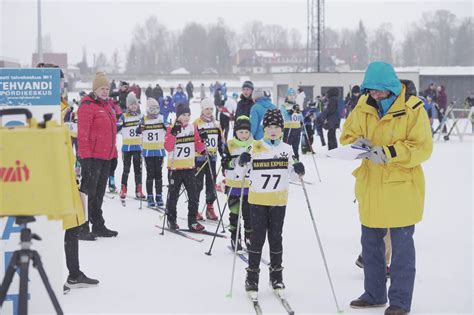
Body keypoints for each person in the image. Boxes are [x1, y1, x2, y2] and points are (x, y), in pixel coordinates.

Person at [340, 61, 433, 315]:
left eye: (380, 90)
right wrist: (358, 144)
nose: (375, 95)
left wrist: (390, 152)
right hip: (370, 186)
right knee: (370, 245)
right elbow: (346, 136)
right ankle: (374, 294)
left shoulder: (414, 110)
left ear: (392, 87)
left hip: (401, 188)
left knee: (402, 249)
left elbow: (422, 147)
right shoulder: (362, 106)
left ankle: (400, 301)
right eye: (371, 90)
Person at [236, 109, 305, 293]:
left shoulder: (287, 149)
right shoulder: (255, 146)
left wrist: (299, 170)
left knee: (276, 239)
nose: (272, 130)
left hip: (278, 200)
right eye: (269, 127)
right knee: (257, 239)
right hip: (258, 200)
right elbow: (241, 172)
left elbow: (294, 176)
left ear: (282, 129)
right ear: (264, 128)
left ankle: (276, 276)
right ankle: (252, 277)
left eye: (276, 127)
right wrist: (242, 162)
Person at [77, 72, 119, 239]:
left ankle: (98, 224)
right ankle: (82, 226)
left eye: (107, 88)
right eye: (102, 88)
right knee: (88, 194)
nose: (105, 91)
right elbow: (83, 135)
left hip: (105, 157)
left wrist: (113, 155)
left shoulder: (107, 106)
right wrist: (85, 158)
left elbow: (111, 134)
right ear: (95, 89)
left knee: (99, 193)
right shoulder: (87, 106)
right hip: (92, 158)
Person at [164, 104, 206, 232]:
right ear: (178, 116)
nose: (186, 117)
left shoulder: (192, 128)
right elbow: (168, 147)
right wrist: (173, 134)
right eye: (183, 115)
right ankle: (171, 220)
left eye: (188, 115)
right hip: (175, 169)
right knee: (173, 196)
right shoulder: (171, 128)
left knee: (193, 196)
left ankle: (192, 221)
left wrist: (203, 147)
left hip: (189, 168)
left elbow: (198, 144)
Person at [221, 116, 254, 250]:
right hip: (234, 184)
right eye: (241, 132)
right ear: (235, 132)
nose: (244, 135)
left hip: (249, 185)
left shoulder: (255, 144)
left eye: (247, 132)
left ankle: (249, 236)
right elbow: (225, 164)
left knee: (249, 214)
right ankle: (235, 236)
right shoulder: (230, 144)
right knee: (234, 212)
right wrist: (236, 161)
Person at [193, 98, 224, 221]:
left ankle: (210, 207)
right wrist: (201, 150)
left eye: (211, 109)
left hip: (212, 158)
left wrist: (224, 153)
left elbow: (220, 140)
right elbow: (194, 140)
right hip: (199, 158)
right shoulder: (197, 123)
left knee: (211, 184)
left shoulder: (216, 123)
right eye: (207, 109)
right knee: (198, 184)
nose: (209, 111)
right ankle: (194, 208)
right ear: (202, 109)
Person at [139, 98, 167, 207]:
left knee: (158, 174)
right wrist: (140, 127)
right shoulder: (144, 119)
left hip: (159, 151)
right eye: (152, 108)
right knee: (150, 174)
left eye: (156, 108)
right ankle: (150, 195)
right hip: (148, 151)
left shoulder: (161, 118)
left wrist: (166, 126)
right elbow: (138, 131)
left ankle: (159, 195)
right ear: (147, 109)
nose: (154, 110)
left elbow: (167, 129)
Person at [118, 92, 146, 201]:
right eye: (131, 104)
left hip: (138, 148)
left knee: (138, 169)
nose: (134, 106)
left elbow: (146, 128)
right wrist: (120, 125)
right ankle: (123, 188)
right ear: (127, 106)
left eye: (135, 104)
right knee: (126, 169)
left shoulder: (141, 116)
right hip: (127, 148)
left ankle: (138, 189)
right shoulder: (124, 116)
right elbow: (117, 128)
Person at [280, 88, 303, 160]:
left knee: (296, 148)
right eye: (290, 95)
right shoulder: (284, 105)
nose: (292, 96)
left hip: (297, 129)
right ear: (287, 96)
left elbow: (300, 116)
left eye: (293, 95)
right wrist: (292, 111)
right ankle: (285, 161)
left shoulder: (297, 105)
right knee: (287, 147)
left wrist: (301, 120)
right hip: (289, 129)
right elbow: (286, 116)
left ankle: (296, 162)